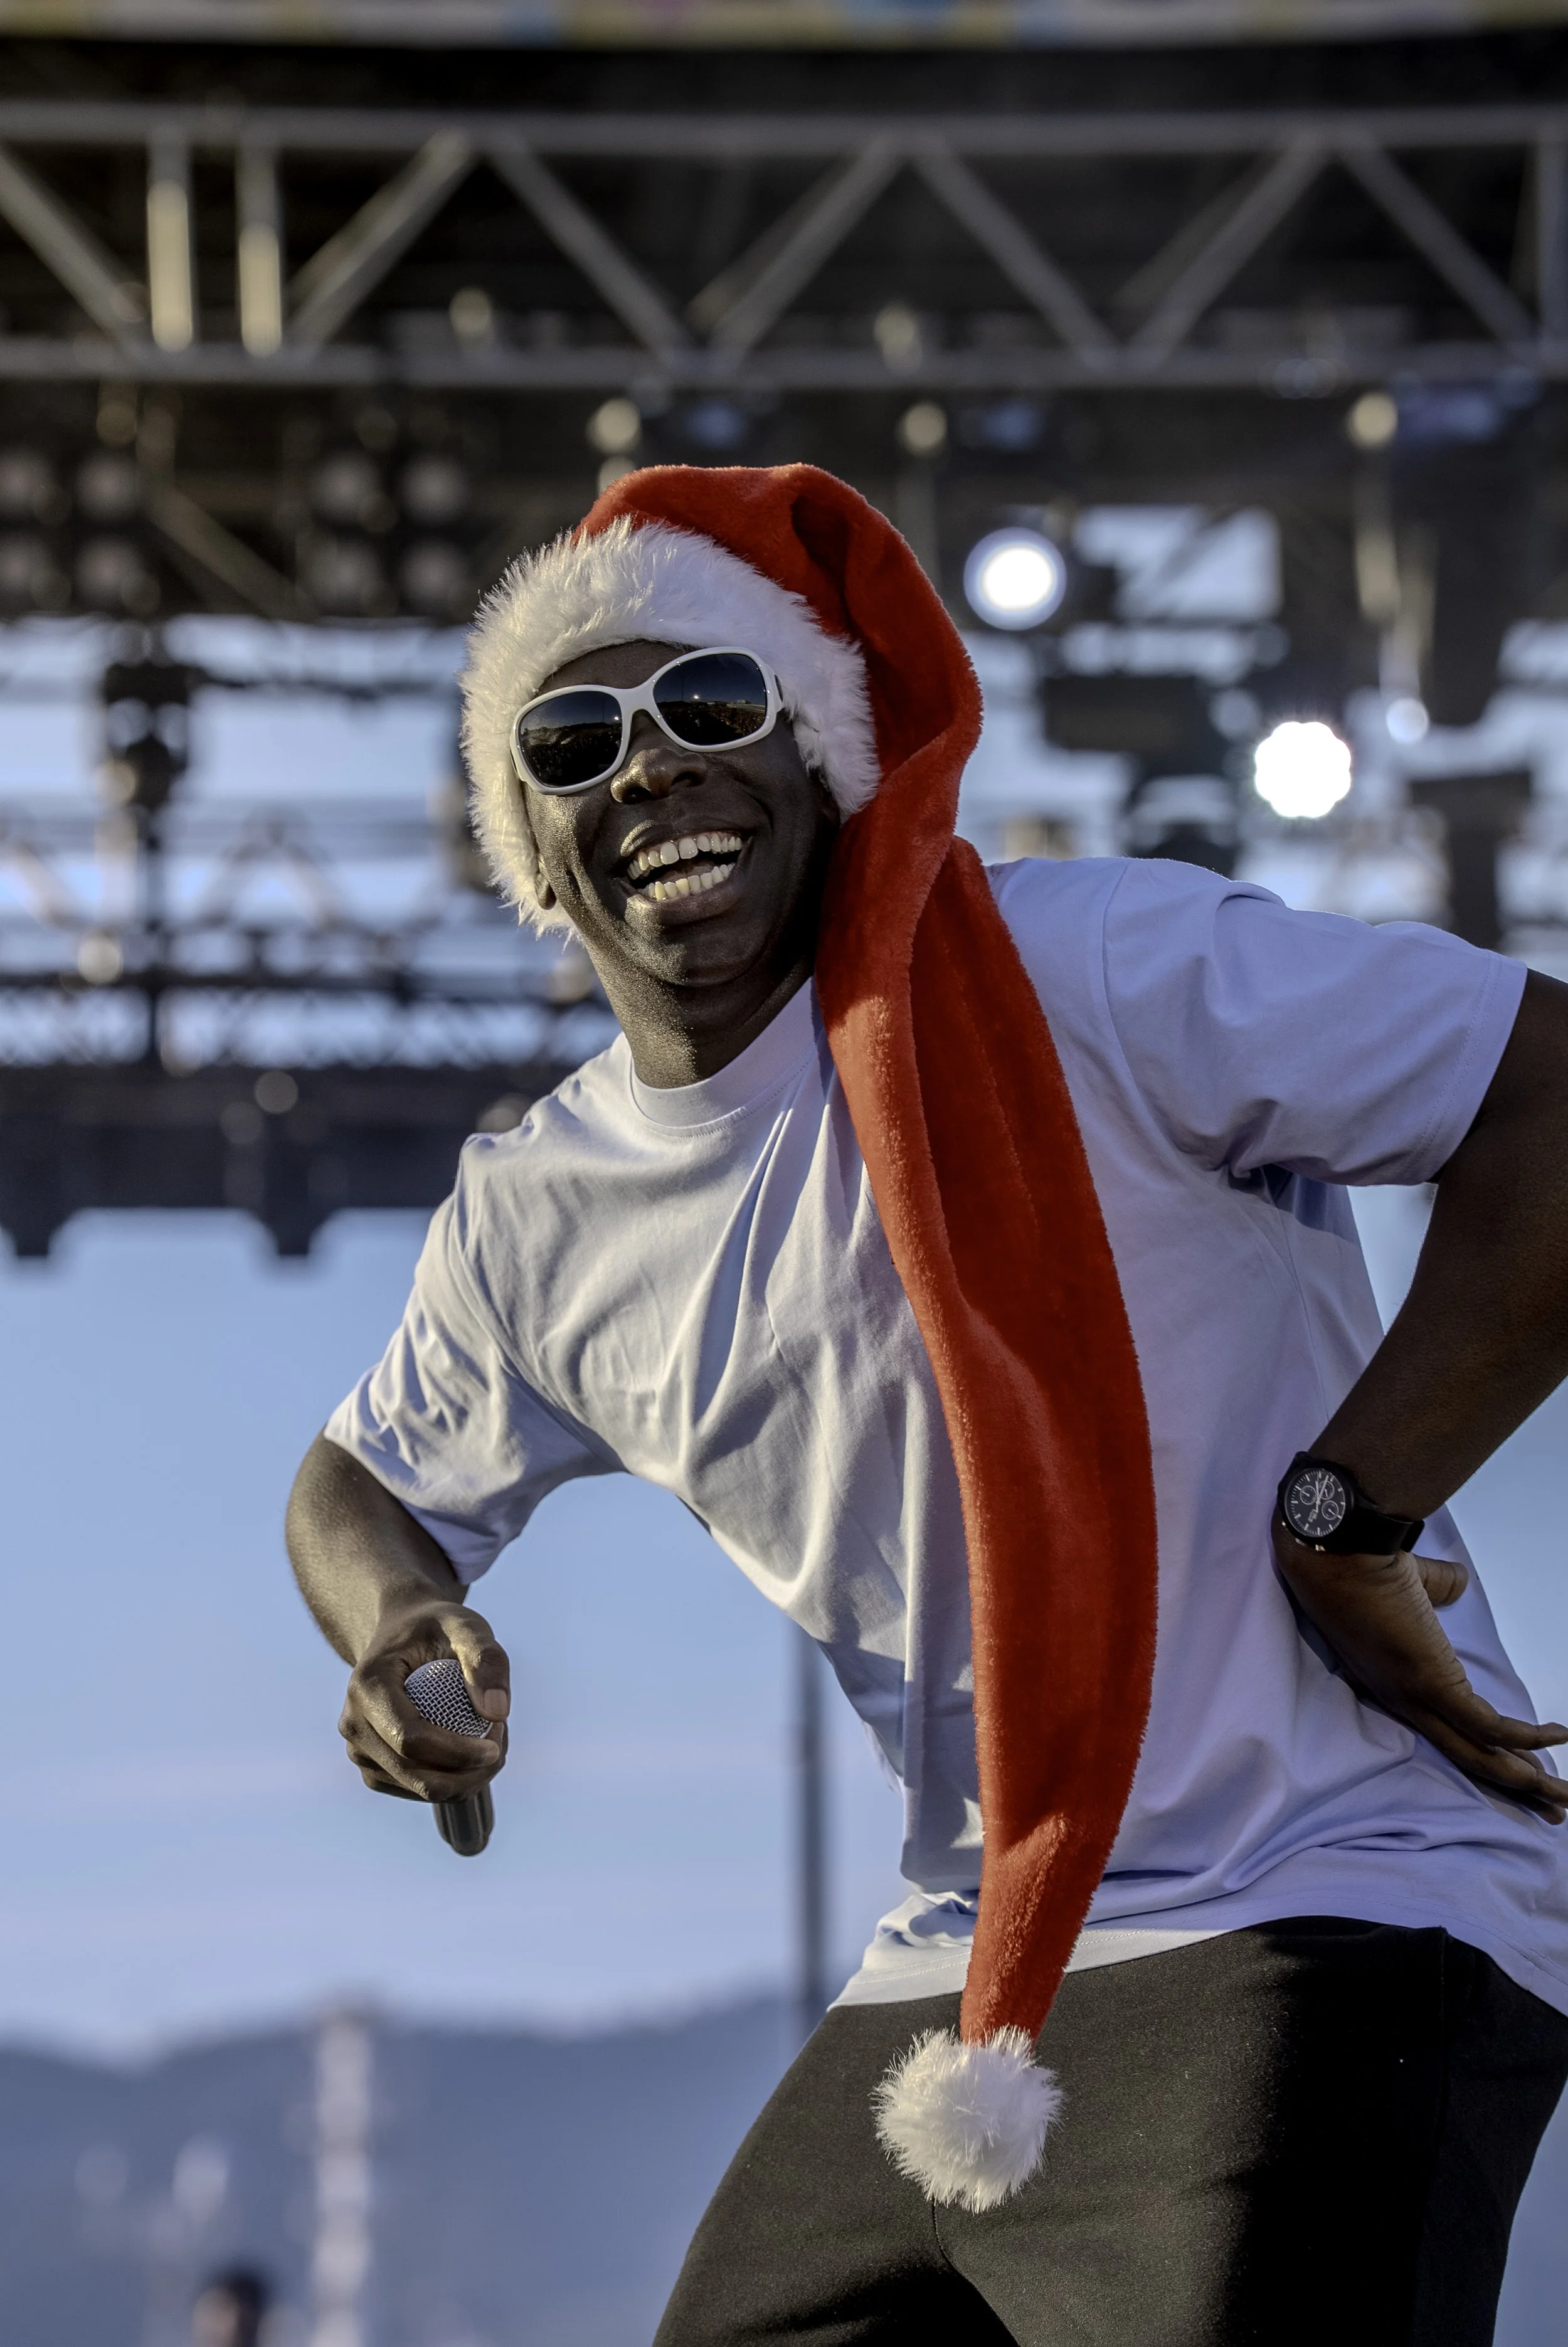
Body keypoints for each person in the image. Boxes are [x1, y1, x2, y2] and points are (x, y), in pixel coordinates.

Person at [287, 464, 1568, 2347]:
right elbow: (357, 1479)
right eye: (572, 744)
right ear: (531, 856)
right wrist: (399, 1624)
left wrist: (1347, 1513)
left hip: (1327, 1882)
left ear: (814, 758)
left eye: (707, 708)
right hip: (971, 1958)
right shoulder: (537, 1214)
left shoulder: (1091, 967)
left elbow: (1545, 1099)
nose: (645, 768)